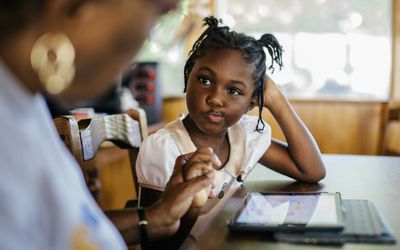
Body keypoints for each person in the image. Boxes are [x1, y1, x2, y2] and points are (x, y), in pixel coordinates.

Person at [0, 0, 218, 249]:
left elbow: (66, 227)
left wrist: (159, 216)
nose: (138, 54)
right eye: (158, 15)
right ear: (73, 8)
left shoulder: (26, 103)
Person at [136, 16, 326, 248]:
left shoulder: (244, 135)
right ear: (188, 76)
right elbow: (154, 245)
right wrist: (193, 204)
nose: (215, 98)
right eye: (205, 80)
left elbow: (311, 170)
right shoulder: (163, 148)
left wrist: (275, 99)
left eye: (234, 91)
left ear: (252, 103)